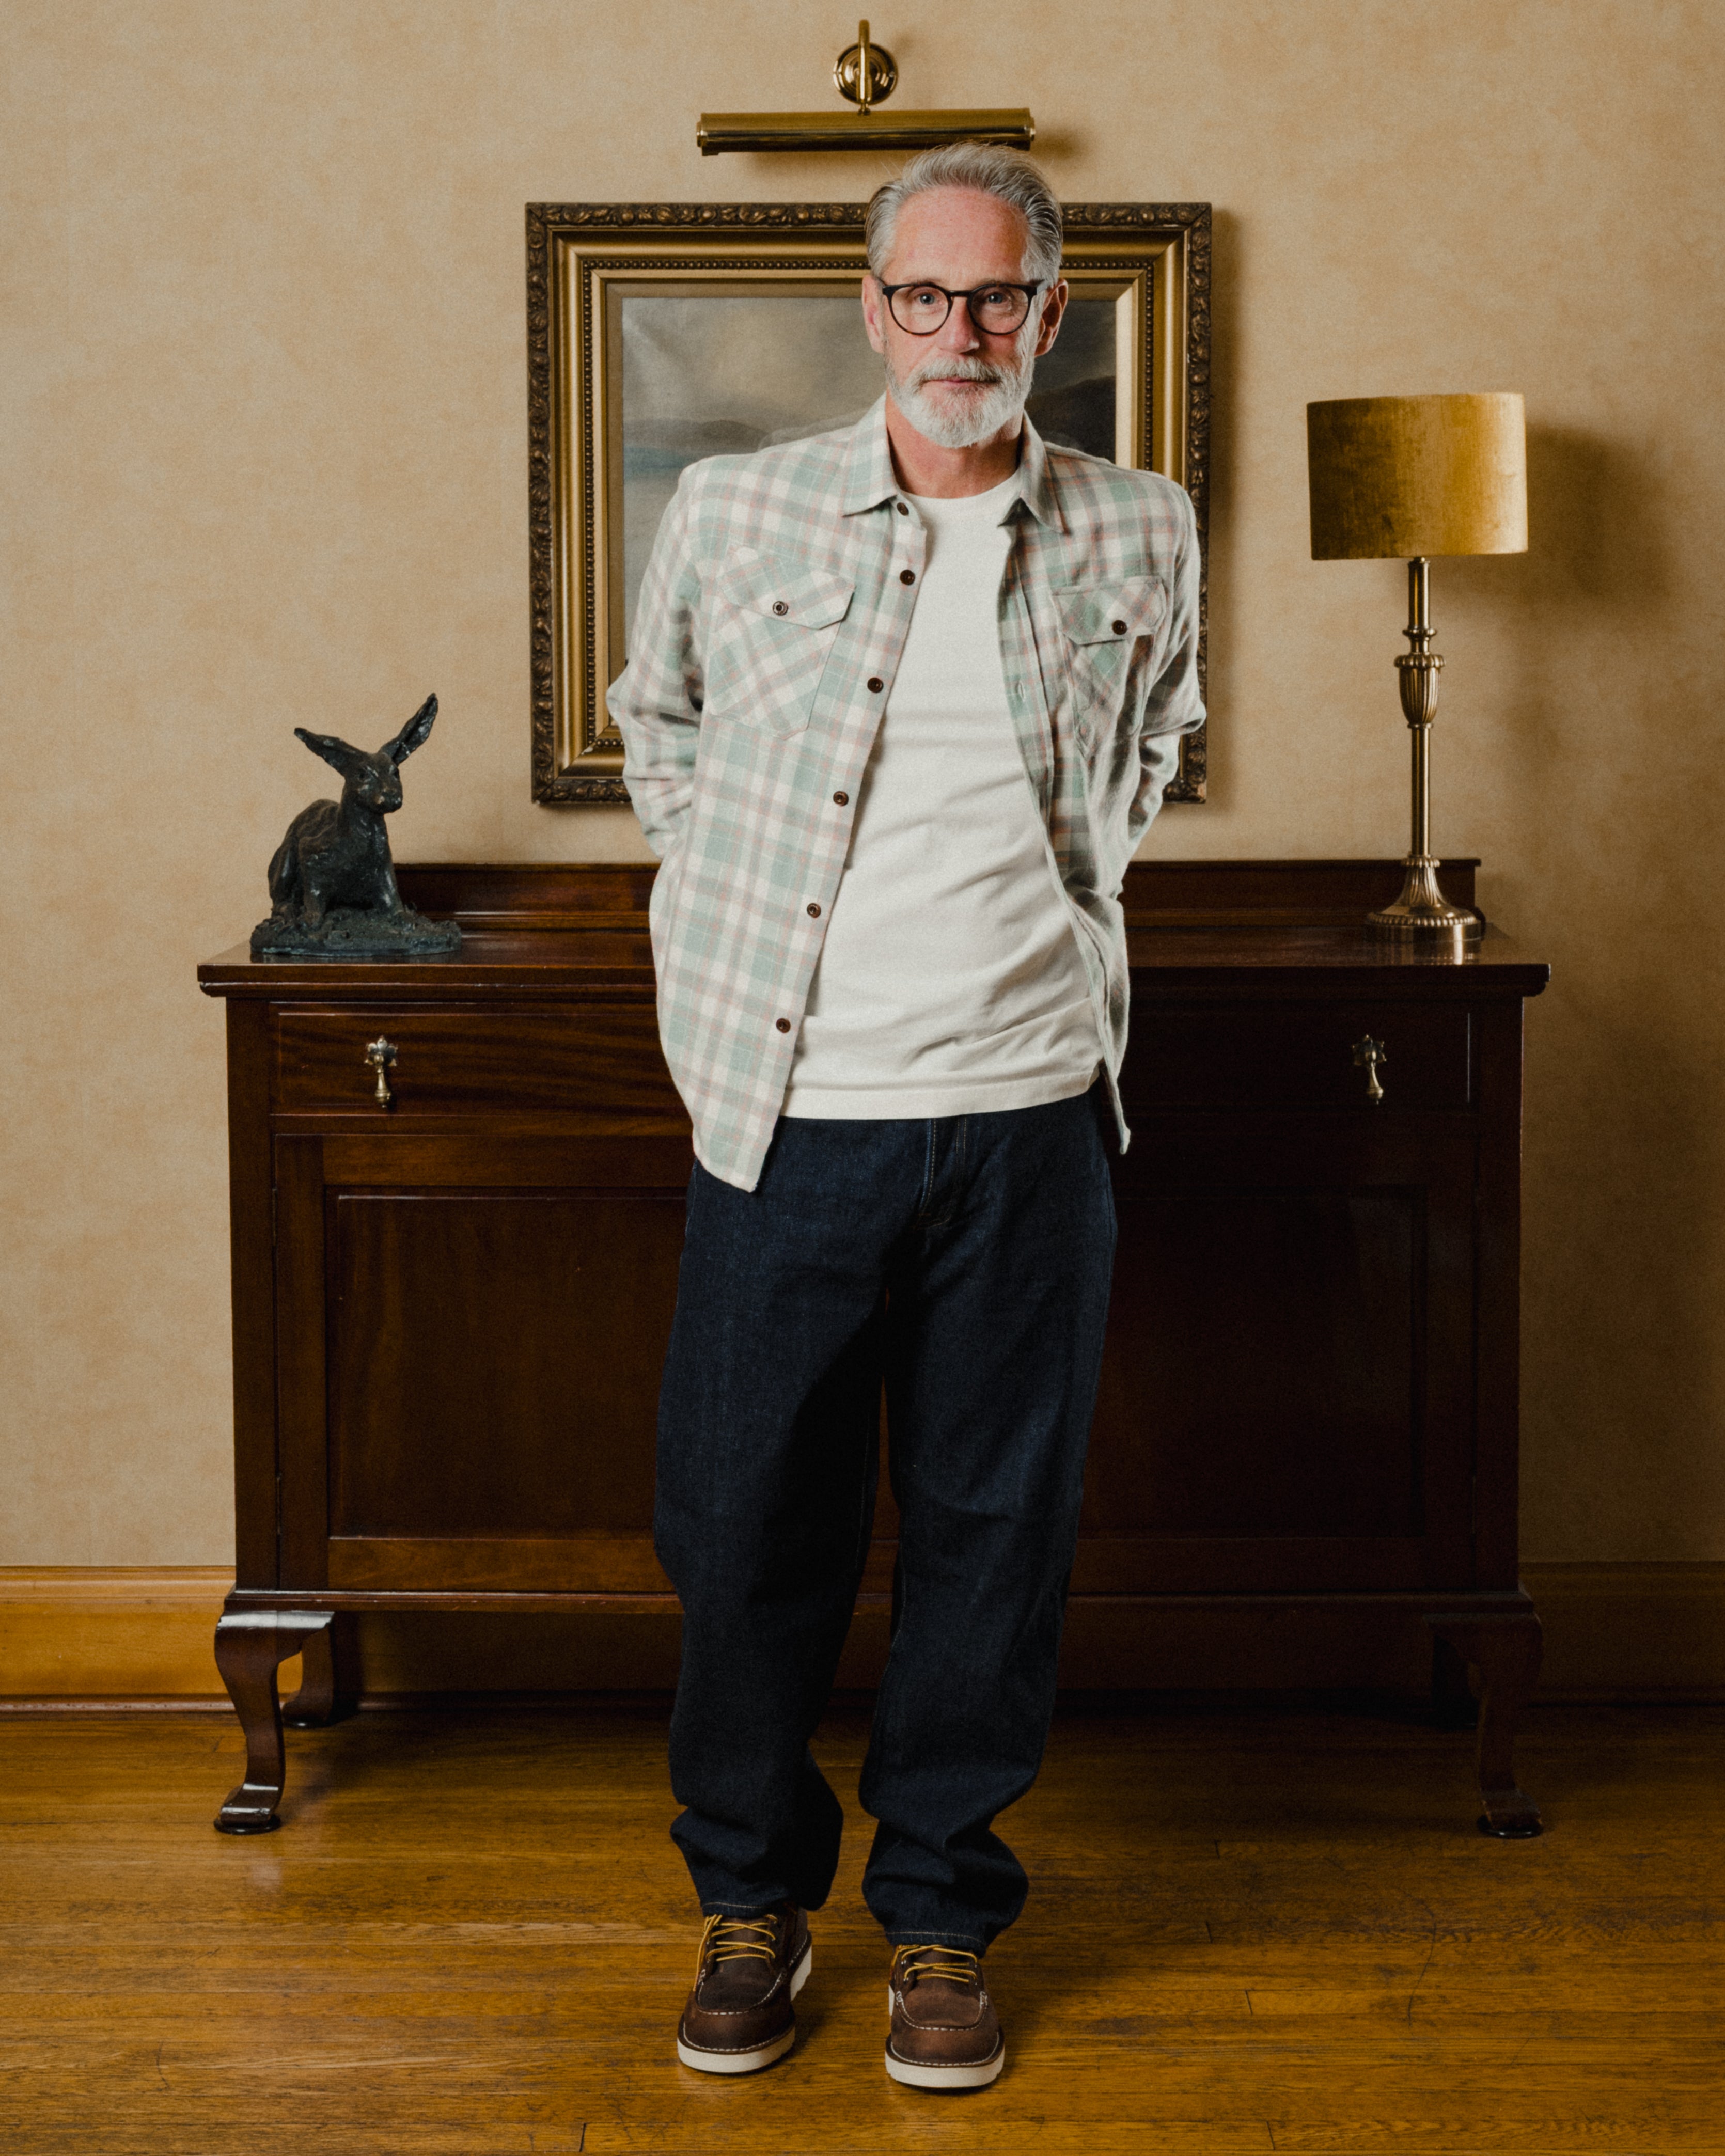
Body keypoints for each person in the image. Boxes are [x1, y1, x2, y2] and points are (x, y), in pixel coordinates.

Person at [608, 140, 1204, 2091]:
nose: (964, 333)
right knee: (744, 1526)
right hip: (790, 1118)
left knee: (990, 1534)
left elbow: (1158, 739)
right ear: (871, 307)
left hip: (1031, 1115)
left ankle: (941, 1916)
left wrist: (1065, 906)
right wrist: (713, 904)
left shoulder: (1138, 525)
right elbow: (662, 725)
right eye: (926, 296)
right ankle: (749, 1903)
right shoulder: (735, 506)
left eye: (1003, 298)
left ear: (1050, 309)